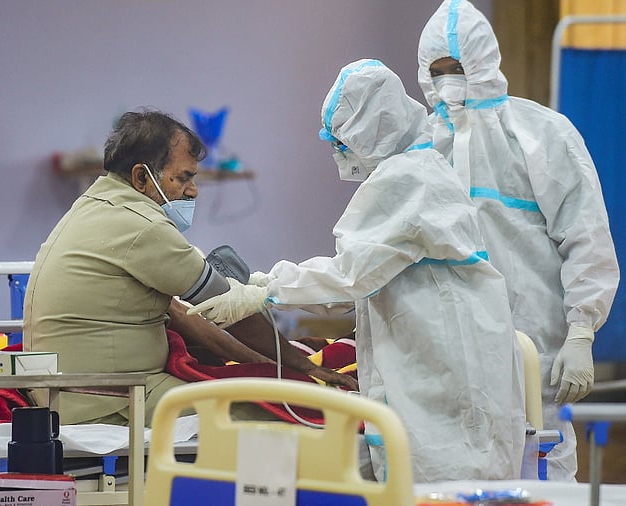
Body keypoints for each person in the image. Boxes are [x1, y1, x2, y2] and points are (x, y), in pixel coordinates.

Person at [189, 59, 526, 482]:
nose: (339, 153)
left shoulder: (408, 179)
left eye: (343, 142)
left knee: (447, 475)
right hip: (433, 359)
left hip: (446, 371)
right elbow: (359, 277)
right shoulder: (415, 170)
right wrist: (264, 283)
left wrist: (265, 291)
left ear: (372, 130)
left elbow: (350, 274)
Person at [23, 108, 356, 426]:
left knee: (262, 386)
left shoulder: (94, 206)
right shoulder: (143, 227)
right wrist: (303, 369)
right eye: (183, 178)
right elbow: (230, 309)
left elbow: (187, 316)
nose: (193, 190)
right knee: (281, 414)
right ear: (141, 176)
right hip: (112, 398)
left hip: (66, 393)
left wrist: (273, 365)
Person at [417, 0, 619, 481]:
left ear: (485, 60)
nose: (449, 80)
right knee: (454, 478)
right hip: (446, 354)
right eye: (437, 70)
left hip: (534, 350)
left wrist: (581, 331)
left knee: (543, 473)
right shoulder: (421, 144)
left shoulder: (542, 134)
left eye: (459, 67)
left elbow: (586, 237)